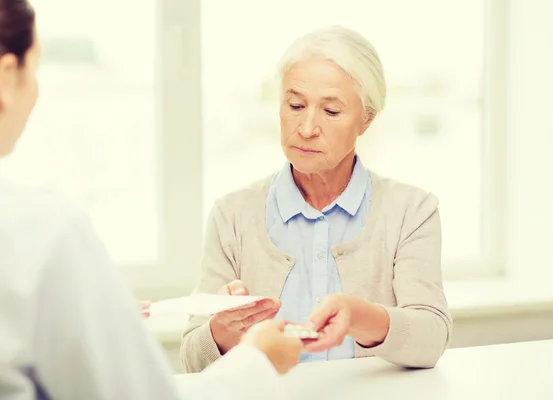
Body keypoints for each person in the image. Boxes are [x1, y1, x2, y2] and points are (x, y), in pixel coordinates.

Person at [0, 1, 303, 399]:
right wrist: (257, 362)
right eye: (35, 68)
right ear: (7, 77)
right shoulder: (43, 233)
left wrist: (93, 317)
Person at [181, 25, 453, 373]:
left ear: (366, 120)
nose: (307, 128)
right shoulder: (231, 216)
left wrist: (360, 317)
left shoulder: (413, 212)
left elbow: (431, 340)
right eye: (295, 105)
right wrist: (220, 335)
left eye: (331, 111)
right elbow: (191, 359)